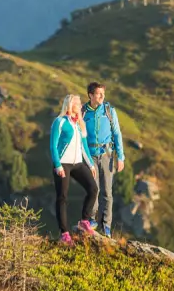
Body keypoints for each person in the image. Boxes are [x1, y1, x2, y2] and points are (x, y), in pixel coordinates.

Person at [49, 93, 99, 243]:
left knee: (93, 189)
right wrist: (57, 165)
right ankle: (64, 233)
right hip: (63, 164)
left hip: (77, 164)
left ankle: (84, 221)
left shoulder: (79, 124)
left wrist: (90, 164)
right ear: (70, 105)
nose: (80, 105)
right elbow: (53, 146)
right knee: (62, 197)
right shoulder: (60, 122)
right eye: (78, 102)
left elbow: (84, 147)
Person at [81, 80, 125, 237]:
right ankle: (92, 221)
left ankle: (106, 226)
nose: (102, 97)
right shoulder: (83, 112)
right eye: (99, 94)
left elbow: (117, 134)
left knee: (107, 191)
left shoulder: (109, 110)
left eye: (103, 94)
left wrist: (121, 157)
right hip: (90, 155)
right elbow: (79, 137)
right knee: (93, 189)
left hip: (107, 155)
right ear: (90, 95)